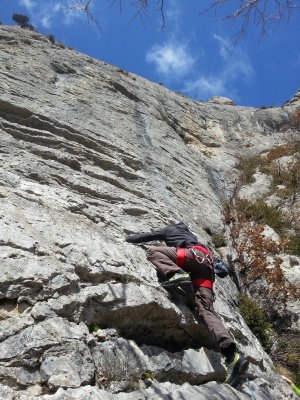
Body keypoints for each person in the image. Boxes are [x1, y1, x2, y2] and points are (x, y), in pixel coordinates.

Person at [125, 221, 249, 387]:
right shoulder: (194, 237)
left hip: (190, 257)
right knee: (205, 310)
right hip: (206, 271)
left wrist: (127, 239)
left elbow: (147, 237)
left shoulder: (169, 229)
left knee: (154, 251)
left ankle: (176, 274)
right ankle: (232, 354)